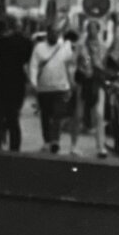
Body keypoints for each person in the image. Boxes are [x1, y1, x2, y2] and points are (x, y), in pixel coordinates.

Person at [0, 15, 32, 152]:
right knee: (13, 117)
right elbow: (27, 65)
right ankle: (14, 148)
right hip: (17, 83)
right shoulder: (26, 43)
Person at [29, 22, 75, 153]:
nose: (54, 35)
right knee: (45, 115)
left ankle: (55, 140)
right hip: (44, 88)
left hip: (61, 87)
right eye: (52, 33)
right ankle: (47, 141)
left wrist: (71, 83)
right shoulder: (39, 48)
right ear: (47, 33)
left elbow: (71, 66)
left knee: (57, 115)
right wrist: (33, 82)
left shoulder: (65, 47)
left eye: (57, 33)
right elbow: (33, 65)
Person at [72, 18, 110, 159]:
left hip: (97, 82)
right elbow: (74, 62)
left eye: (94, 28)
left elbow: (105, 64)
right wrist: (80, 72)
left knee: (99, 114)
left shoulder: (103, 46)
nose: (91, 31)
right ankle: (74, 145)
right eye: (89, 28)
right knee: (79, 114)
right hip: (84, 82)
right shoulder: (81, 46)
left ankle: (101, 146)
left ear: (98, 30)